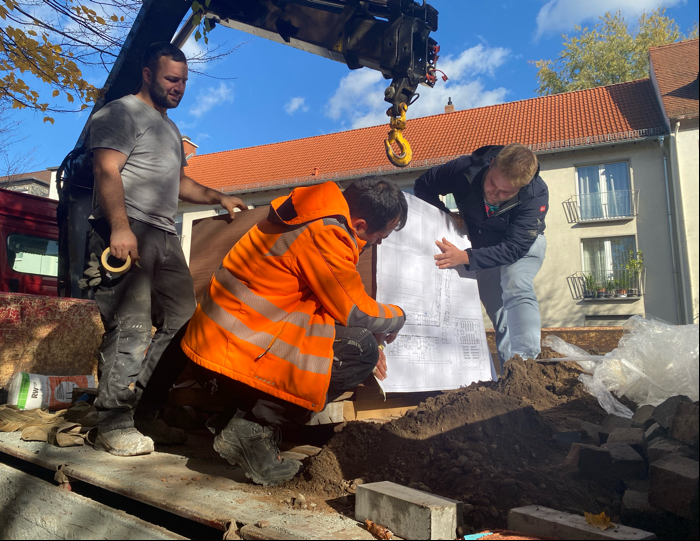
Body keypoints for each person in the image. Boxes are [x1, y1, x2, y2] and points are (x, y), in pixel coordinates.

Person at [179, 176, 408, 486]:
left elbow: (332, 301)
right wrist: (399, 317)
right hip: (231, 359)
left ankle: (233, 417)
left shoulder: (309, 213)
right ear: (360, 225)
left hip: (219, 348)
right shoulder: (327, 234)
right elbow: (358, 311)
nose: (378, 243)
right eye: (381, 236)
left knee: (349, 337)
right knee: (359, 348)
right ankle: (251, 430)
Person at [86, 42, 247, 456]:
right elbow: (106, 168)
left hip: (164, 234)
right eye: (171, 79)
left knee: (185, 321)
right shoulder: (120, 113)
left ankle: (145, 411)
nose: (178, 87)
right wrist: (120, 228)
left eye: (183, 81)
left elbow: (178, 184)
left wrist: (218, 196)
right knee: (132, 324)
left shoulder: (171, 130)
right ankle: (112, 422)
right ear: (147, 74)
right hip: (126, 228)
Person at [413, 144, 548, 372]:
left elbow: (514, 248)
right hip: (483, 248)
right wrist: (445, 213)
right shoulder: (464, 169)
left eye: (505, 192)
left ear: (523, 185)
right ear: (491, 163)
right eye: (492, 183)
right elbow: (423, 186)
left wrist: (465, 256)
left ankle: (528, 366)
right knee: (500, 314)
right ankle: (513, 375)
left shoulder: (536, 194)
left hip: (521, 248)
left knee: (516, 283)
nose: (494, 193)